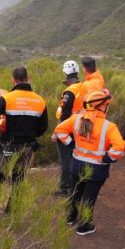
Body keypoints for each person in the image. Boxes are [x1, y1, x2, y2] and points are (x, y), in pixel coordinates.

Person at [54, 89, 125, 235]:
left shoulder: (76, 119)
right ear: (101, 106)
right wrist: (107, 158)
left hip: (76, 165)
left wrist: (70, 144)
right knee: (89, 197)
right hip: (96, 169)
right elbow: (119, 148)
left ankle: (69, 217)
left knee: (74, 193)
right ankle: (83, 226)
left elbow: (59, 130)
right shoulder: (109, 126)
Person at [0, 66, 48, 214]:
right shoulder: (40, 101)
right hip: (27, 147)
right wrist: (30, 135)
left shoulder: (7, 98)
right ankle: (12, 212)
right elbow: (43, 127)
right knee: (19, 179)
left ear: (13, 80)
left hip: (6, 145)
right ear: (28, 79)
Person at [54, 60, 84, 195]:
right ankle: (75, 185)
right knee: (75, 156)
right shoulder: (84, 87)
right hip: (81, 127)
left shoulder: (69, 92)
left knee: (65, 158)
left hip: (67, 129)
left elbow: (65, 113)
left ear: (66, 73)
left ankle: (65, 187)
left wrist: (58, 131)